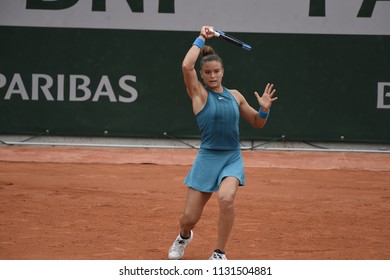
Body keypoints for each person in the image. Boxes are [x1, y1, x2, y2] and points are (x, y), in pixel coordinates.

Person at [168, 25, 278, 260]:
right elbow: (186, 65)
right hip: (207, 159)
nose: (213, 75)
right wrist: (200, 37)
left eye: (216, 71)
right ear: (202, 74)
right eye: (207, 72)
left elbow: (257, 123)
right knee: (188, 219)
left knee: (226, 199)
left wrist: (264, 110)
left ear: (223, 71)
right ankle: (184, 236)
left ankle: (219, 253)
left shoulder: (236, 96)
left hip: (231, 158)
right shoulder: (199, 94)